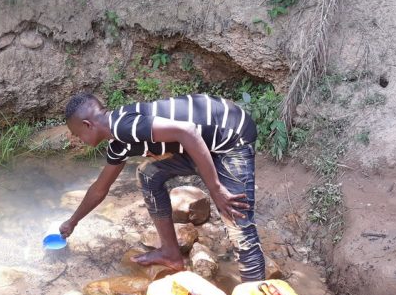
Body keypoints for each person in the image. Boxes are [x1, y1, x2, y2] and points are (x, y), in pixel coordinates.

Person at [60, 92, 266, 281]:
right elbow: (99, 189)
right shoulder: (118, 143)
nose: (79, 140)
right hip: (205, 144)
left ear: (88, 125)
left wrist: (215, 188)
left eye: (77, 135)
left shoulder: (123, 126)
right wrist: (72, 222)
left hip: (232, 137)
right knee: (148, 174)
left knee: (237, 219)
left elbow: (188, 130)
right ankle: (170, 252)